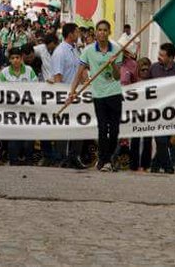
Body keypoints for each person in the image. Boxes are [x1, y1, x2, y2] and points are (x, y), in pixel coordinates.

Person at [69, 20, 123, 172]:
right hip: (98, 95)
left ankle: (109, 157)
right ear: (96, 32)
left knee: (114, 130)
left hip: (114, 93)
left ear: (109, 32)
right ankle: (104, 160)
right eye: (99, 30)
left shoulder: (116, 49)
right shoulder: (88, 50)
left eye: (105, 30)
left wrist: (112, 64)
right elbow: (78, 73)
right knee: (101, 128)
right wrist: (72, 91)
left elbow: (118, 76)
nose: (102, 32)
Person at [149, 43, 175, 174]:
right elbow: (145, 86)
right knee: (160, 139)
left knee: (165, 142)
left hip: (172, 112)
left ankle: (155, 165)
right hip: (156, 111)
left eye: (162, 55)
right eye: (159, 54)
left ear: (171, 58)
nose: (159, 57)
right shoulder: (153, 68)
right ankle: (168, 167)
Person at [52, 23, 86, 169]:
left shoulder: (75, 50)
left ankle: (74, 156)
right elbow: (58, 75)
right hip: (65, 93)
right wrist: (61, 94)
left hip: (77, 93)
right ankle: (62, 157)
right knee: (63, 128)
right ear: (70, 34)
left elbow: (80, 70)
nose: (79, 34)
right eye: (77, 32)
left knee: (78, 125)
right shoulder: (60, 52)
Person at [0, 47, 37, 165]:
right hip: (11, 110)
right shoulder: (4, 72)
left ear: (21, 59)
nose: (15, 60)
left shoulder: (29, 71)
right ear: (9, 60)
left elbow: (36, 88)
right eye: (13, 58)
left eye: (17, 58)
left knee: (28, 136)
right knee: (13, 136)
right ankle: (13, 160)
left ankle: (28, 160)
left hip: (27, 110)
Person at [128, 56, 152, 171]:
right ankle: (134, 165)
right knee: (135, 139)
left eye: (147, 69)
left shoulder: (154, 83)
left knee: (148, 139)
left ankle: (145, 165)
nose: (145, 72)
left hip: (149, 113)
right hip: (136, 113)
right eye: (143, 69)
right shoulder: (134, 83)